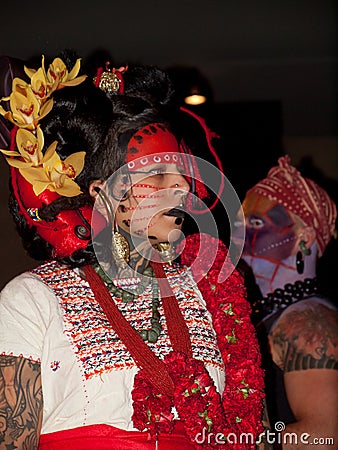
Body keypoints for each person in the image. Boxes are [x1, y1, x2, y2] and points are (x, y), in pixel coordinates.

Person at [0, 52, 265, 449]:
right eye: (159, 174)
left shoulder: (213, 292)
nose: (184, 188)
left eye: (183, 171)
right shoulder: (32, 300)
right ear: (102, 194)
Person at [235, 156, 338, 449]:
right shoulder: (277, 314)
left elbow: (324, 435)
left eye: (255, 222)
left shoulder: (308, 322)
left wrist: (226, 438)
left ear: (302, 238)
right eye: (239, 223)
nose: (240, 234)